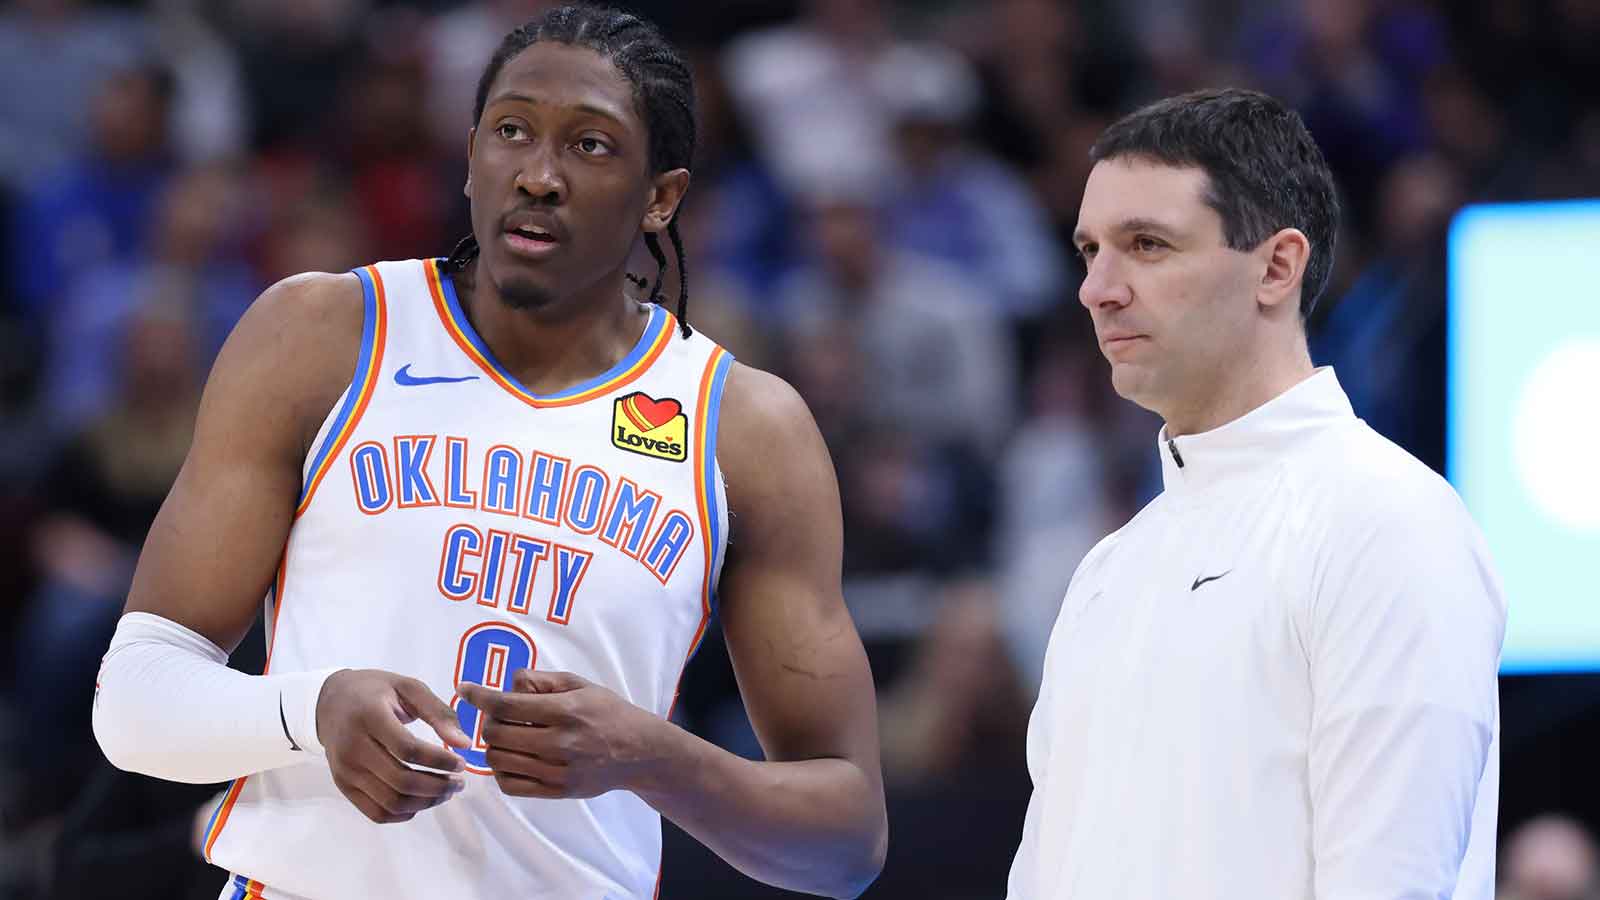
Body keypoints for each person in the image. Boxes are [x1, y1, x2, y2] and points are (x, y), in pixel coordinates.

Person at [91, 6, 887, 900]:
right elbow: (133, 701)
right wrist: (310, 709)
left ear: (661, 197)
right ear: (471, 153)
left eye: (590, 146)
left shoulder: (744, 428)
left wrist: (650, 757)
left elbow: (847, 839)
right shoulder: (323, 334)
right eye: (512, 131)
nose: (538, 175)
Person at [1007, 87, 1505, 899]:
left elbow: (1393, 881)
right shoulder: (1105, 569)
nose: (1097, 289)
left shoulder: (1388, 523)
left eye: (1146, 245)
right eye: (1089, 249)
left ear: (1277, 266)